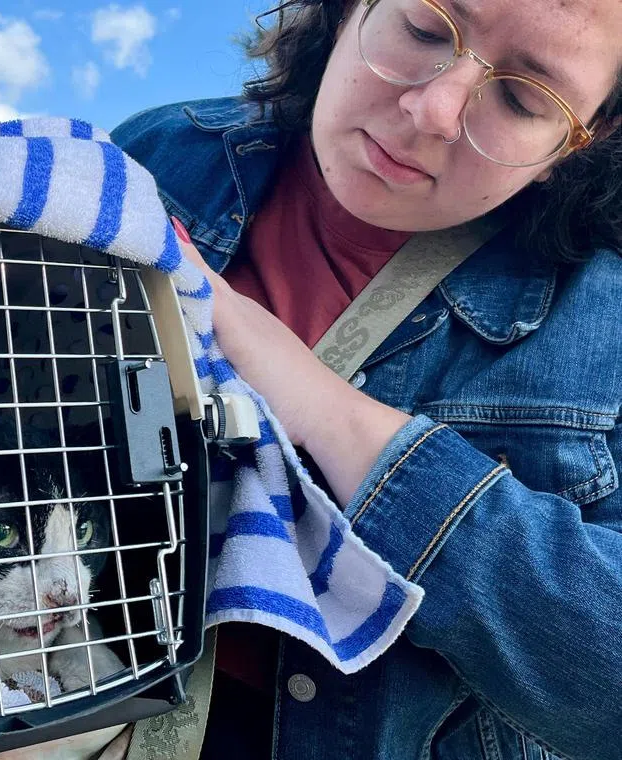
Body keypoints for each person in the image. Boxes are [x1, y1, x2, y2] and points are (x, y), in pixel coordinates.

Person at [106, 0, 622, 758]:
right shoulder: (160, 152)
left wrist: (304, 391)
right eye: (422, 27)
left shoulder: (604, 323)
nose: (434, 110)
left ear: (583, 140)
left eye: (521, 98)